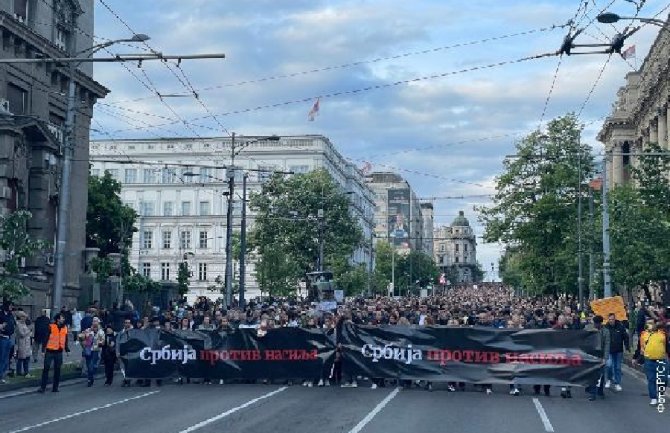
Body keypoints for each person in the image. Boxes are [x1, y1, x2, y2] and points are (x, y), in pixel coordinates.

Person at [639, 319, 668, 406]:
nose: (650, 325)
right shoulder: (643, 334)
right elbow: (639, 346)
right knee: (651, 380)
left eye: (652, 323)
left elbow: (667, 346)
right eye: (648, 323)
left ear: (655, 324)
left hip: (662, 360)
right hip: (649, 360)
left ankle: (660, 394)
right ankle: (653, 398)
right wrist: (636, 357)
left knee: (663, 379)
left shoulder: (662, 334)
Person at [39, 313, 70, 393]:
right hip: (50, 350)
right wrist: (43, 350)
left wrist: (67, 349)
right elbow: (46, 338)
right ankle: (43, 387)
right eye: (62, 318)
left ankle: (55, 387)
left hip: (59, 351)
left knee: (58, 369)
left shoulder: (65, 328)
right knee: (46, 369)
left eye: (63, 318)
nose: (63, 319)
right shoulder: (51, 326)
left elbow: (65, 339)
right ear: (58, 319)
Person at [587, 315, 610, 401]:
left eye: (597, 323)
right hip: (591, 354)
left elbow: (607, 344)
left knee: (601, 374)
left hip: (600, 354)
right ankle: (592, 393)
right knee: (592, 374)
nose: (595, 325)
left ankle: (600, 390)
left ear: (600, 323)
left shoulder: (606, 331)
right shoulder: (589, 329)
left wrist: (605, 358)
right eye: (594, 323)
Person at [605, 312, 629, 392]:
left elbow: (625, 337)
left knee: (617, 367)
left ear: (615, 319)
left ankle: (617, 383)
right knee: (609, 365)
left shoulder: (621, 327)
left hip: (618, 350)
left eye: (612, 319)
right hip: (609, 350)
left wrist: (627, 346)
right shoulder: (606, 327)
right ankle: (608, 379)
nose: (611, 321)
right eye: (610, 319)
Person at [79, 318, 105, 386]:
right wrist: (83, 339)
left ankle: (91, 377)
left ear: (98, 323)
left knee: (94, 366)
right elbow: (81, 337)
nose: (95, 323)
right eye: (94, 321)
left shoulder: (101, 331)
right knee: (89, 365)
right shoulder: (88, 330)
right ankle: (90, 379)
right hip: (88, 350)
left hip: (96, 350)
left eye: (96, 321)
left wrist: (100, 343)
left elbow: (103, 340)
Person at [0, 301, 15, 384]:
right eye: (10, 305)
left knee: (6, 358)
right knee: (2, 358)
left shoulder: (10, 315)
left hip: (9, 338)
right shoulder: (1, 314)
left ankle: (4, 375)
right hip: (2, 337)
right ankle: (1, 376)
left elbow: (13, 324)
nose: (11, 307)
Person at [14, 311, 32, 377]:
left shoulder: (25, 324)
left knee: (27, 358)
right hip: (21, 343)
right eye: (23, 316)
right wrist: (29, 331)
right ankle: (19, 372)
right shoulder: (18, 324)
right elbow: (22, 334)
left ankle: (26, 372)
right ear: (20, 317)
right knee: (21, 358)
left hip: (27, 344)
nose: (24, 318)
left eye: (25, 317)